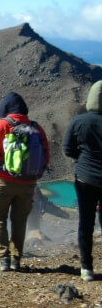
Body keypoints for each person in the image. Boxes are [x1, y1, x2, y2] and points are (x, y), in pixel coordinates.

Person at [0, 92, 50, 271]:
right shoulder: (36, 127)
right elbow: (46, 156)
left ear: (5, 109)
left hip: (3, 181)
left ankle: (3, 259)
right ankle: (16, 259)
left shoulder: (0, 125)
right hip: (28, 183)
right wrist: (35, 177)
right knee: (19, 220)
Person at [63, 80, 102, 282]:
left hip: (85, 178)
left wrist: (82, 159)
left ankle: (86, 268)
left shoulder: (79, 121)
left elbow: (68, 149)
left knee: (85, 223)